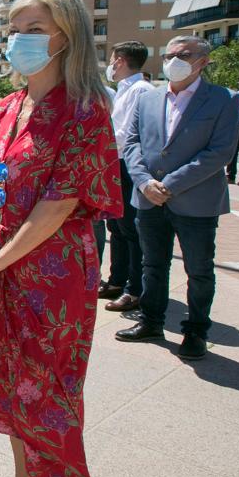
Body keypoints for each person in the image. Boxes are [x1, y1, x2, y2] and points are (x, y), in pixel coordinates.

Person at [0, 0, 120, 477]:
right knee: (10, 390)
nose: (20, 41)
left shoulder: (86, 109)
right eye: (15, 30)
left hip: (53, 282)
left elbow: (61, 204)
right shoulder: (7, 108)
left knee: (45, 398)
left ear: (66, 35)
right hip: (4, 274)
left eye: (34, 29)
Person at [116, 35, 239, 360]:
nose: (174, 60)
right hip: (148, 199)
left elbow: (219, 152)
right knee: (152, 264)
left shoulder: (224, 99)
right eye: (170, 54)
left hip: (194, 201)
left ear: (203, 61)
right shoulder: (149, 98)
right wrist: (144, 182)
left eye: (183, 54)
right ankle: (151, 321)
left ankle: (196, 330)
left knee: (199, 269)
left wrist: (169, 185)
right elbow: (131, 144)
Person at [99, 41, 158, 313]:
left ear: (120, 60)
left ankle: (135, 289)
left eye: (112, 59)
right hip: (114, 162)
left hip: (126, 164)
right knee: (117, 227)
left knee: (131, 229)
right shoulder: (123, 90)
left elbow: (129, 133)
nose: (111, 65)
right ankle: (117, 280)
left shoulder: (141, 90)